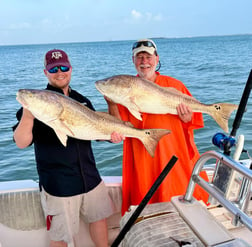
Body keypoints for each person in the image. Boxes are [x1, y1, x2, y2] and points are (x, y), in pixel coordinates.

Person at [13, 49, 117, 247]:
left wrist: (113, 136)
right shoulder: (37, 103)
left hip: (91, 178)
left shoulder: (82, 100)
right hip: (58, 185)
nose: (59, 72)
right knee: (60, 236)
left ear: (70, 69)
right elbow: (21, 142)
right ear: (46, 72)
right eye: (53, 69)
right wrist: (28, 114)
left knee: (99, 220)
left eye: (63, 67)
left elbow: (97, 132)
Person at [106, 39, 209, 216]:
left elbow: (194, 119)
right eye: (139, 57)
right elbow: (118, 127)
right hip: (142, 161)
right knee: (147, 213)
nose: (144, 61)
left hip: (173, 159)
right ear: (133, 61)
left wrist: (187, 117)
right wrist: (112, 103)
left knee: (179, 209)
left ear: (156, 58)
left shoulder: (175, 86)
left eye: (148, 56)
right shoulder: (124, 89)